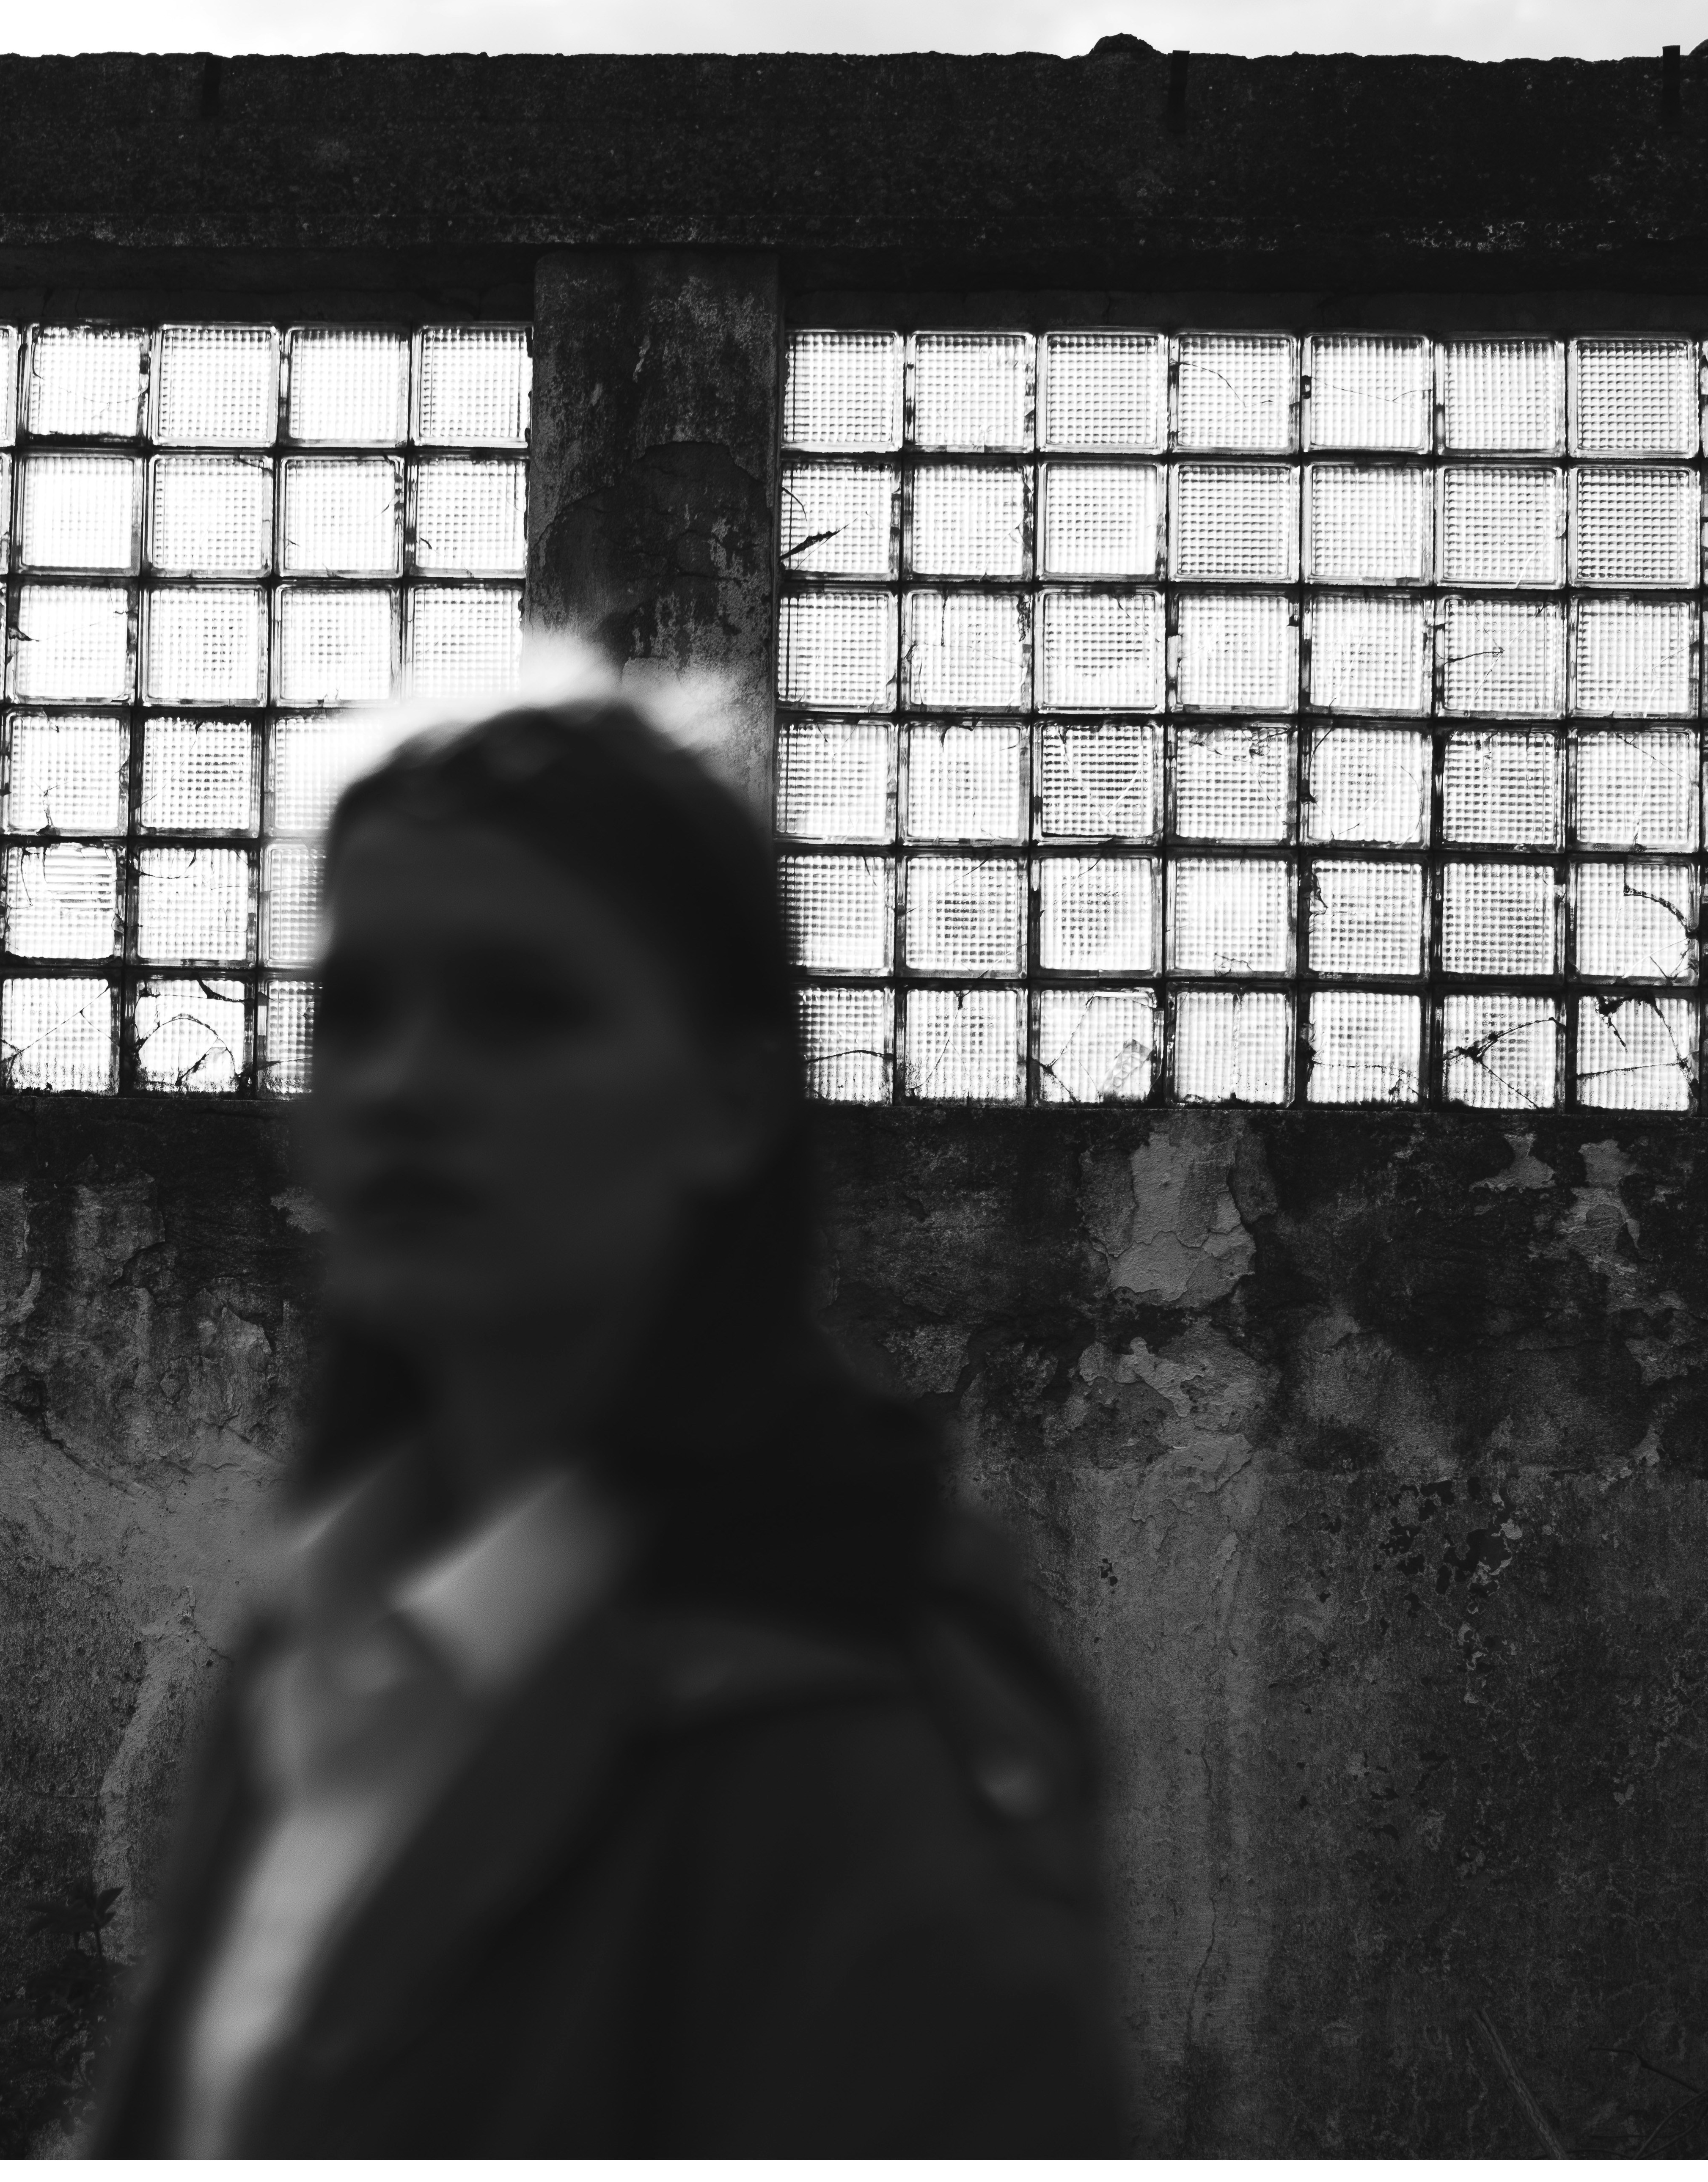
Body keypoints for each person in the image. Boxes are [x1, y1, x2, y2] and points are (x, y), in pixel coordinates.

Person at [82, 695, 1128, 2156]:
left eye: (522, 1007)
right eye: (354, 1010)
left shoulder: (849, 1741)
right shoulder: (324, 1628)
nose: (405, 1083)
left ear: (730, 1098)